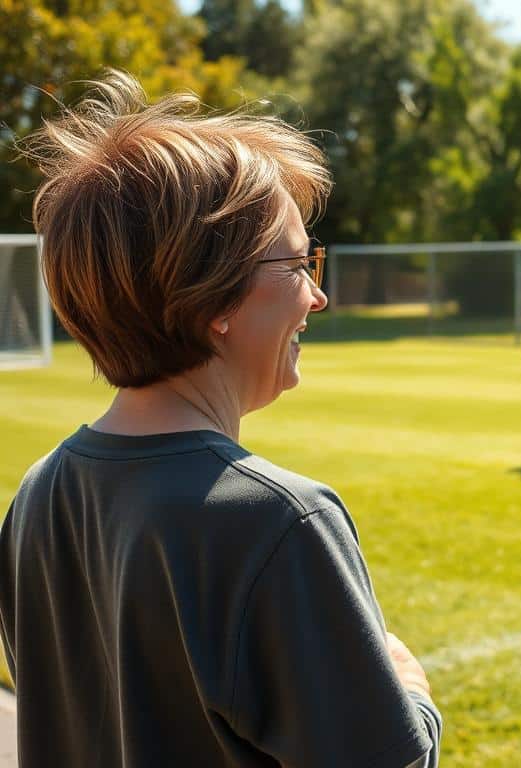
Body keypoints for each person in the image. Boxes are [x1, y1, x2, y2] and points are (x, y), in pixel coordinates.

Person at [0, 71, 442, 767]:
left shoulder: (38, 494)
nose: (317, 296)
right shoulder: (277, 521)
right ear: (215, 300)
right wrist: (411, 692)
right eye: (298, 263)